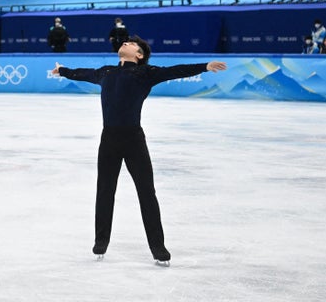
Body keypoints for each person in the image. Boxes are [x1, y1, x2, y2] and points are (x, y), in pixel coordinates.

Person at [52, 36, 228, 264]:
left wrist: (204, 66)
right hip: (109, 140)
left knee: (147, 193)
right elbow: (83, 73)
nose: (124, 43)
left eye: (130, 44)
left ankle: (158, 247)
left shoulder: (145, 73)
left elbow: (175, 70)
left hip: (134, 139)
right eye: (123, 42)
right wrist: (63, 70)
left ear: (140, 55)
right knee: (105, 191)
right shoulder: (106, 72)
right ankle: (101, 241)